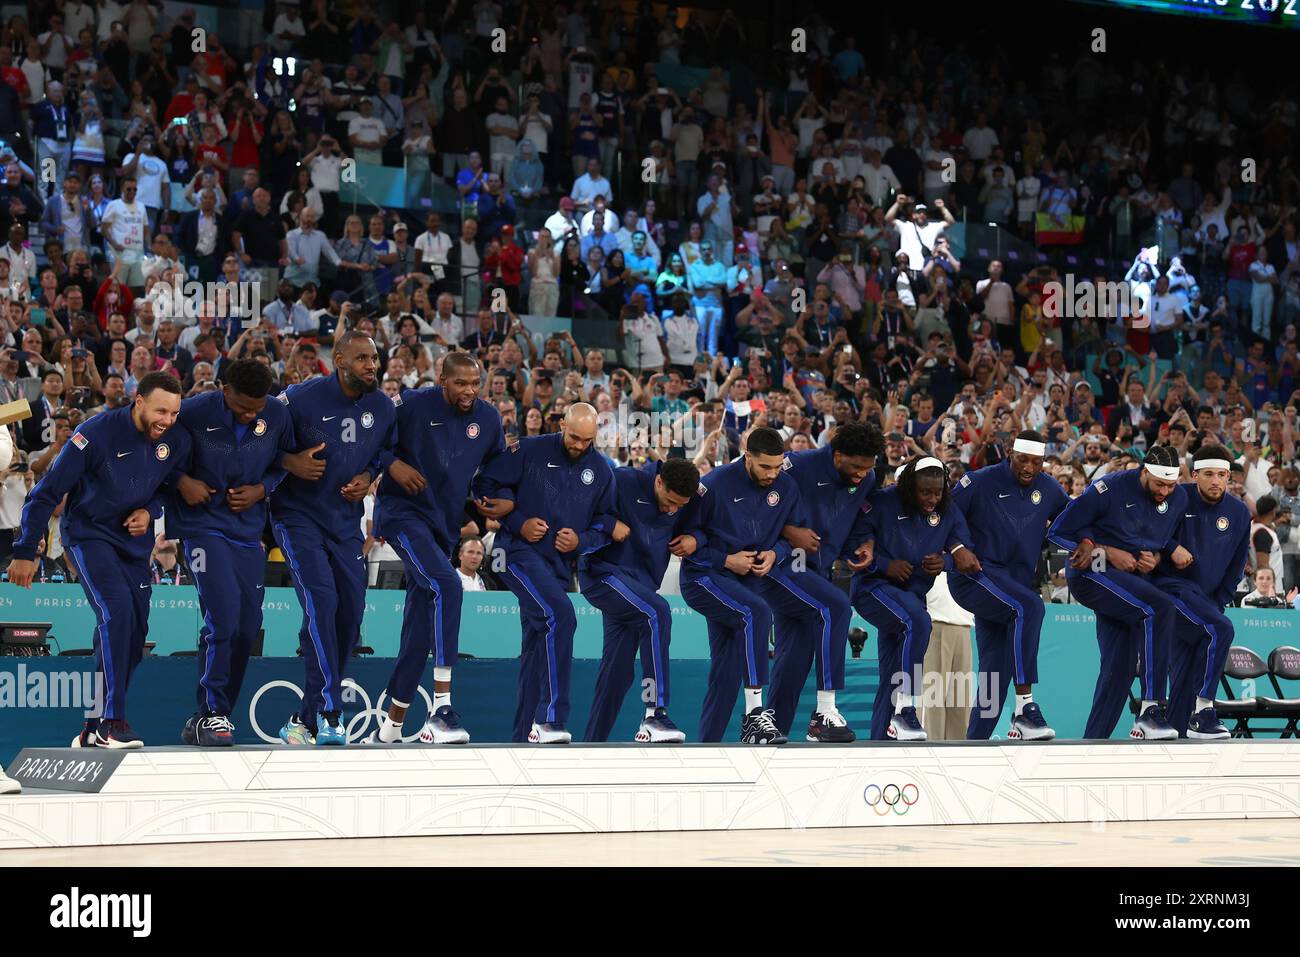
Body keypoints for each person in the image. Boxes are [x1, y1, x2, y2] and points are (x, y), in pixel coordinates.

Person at [7, 372, 189, 749]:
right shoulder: (95, 433)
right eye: (160, 411)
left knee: (135, 633)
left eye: (173, 413)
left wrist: (149, 510)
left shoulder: (173, 438)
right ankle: (111, 722)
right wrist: (25, 551)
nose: (167, 421)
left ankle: (91, 726)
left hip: (133, 545)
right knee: (116, 614)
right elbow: (45, 493)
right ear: (138, 401)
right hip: (89, 537)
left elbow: (167, 491)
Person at [367, 353, 506, 745]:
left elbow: (493, 471)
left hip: (442, 526)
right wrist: (392, 465)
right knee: (447, 584)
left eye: (474, 383)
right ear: (441, 379)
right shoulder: (411, 404)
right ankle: (441, 708)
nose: (468, 391)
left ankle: (390, 728)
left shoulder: (489, 419)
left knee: (420, 624)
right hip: (403, 514)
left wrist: (492, 498)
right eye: (460, 383)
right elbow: (373, 442)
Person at [270, 331, 398, 746]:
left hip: (345, 523)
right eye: (362, 358)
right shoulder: (299, 398)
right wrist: (289, 460)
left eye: (375, 359)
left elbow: (387, 450)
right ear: (338, 358)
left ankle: (301, 720)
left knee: (350, 614)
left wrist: (369, 474)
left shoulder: (381, 406)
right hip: (297, 517)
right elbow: (261, 440)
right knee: (322, 601)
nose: (371, 366)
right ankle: (329, 713)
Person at [168, 359, 297, 747]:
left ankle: (212, 713)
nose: (250, 413)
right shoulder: (192, 412)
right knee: (222, 619)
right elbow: (156, 452)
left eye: (256, 407)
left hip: (247, 531)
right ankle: (213, 713)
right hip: (202, 527)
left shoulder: (275, 412)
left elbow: (285, 462)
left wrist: (263, 489)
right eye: (243, 406)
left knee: (245, 627)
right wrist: (181, 480)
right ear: (223, 389)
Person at [473, 403, 617, 744]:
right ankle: (551, 718)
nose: (580, 446)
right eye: (574, 437)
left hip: (557, 567)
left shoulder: (602, 470)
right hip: (515, 553)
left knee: (538, 647)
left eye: (588, 440)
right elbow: (484, 484)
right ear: (562, 423)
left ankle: (523, 738)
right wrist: (518, 520)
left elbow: (606, 523)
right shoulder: (529, 449)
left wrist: (581, 540)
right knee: (561, 616)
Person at [1048, 444, 1190, 740]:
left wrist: (1158, 557)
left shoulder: (1179, 498)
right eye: (1159, 484)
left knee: (1120, 669)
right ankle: (1152, 710)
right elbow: (1059, 530)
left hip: (1130, 584)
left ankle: (1092, 744)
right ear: (1144, 471)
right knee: (1159, 608)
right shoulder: (1109, 488)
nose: (1164, 491)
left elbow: (1164, 540)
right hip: (1092, 572)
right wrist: (1108, 551)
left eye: (1170, 485)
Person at [679, 426, 801, 744]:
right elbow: (686, 545)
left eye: (778, 466)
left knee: (727, 670)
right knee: (757, 613)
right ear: (747, 456)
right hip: (704, 578)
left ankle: (708, 749)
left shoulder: (786, 486)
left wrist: (777, 553)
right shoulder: (714, 484)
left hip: (747, 584)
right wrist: (726, 560)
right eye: (765, 467)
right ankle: (755, 715)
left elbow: (793, 535)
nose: (772, 474)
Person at [948, 430, 1069, 740]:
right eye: (1022, 460)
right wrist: (956, 549)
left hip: (1010, 588)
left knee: (994, 673)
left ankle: (974, 744)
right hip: (975, 577)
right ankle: (1025, 709)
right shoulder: (980, 481)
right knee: (1030, 606)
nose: (1028, 468)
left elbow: (1072, 518)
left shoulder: (1050, 488)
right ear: (1009, 453)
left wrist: (1085, 540)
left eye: (1036, 462)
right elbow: (944, 513)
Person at [849, 458, 981, 740]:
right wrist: (885, 565)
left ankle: (881, 745)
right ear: (908, 487)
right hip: (873, 589)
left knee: (892, 677)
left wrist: (945, 561)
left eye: (938, 492)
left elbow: (963, 549)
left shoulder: (948, 509)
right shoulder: (883, 502)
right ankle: (906, 710)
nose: (932, 499)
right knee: (919, 622)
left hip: (911, 596)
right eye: (925, 492)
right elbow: (853, 543)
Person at [768, 421, 882, 741]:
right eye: (856, 466)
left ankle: (773, 734)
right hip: (782, 564)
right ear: (837, 453)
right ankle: (824, 713)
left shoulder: (867, 477)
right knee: (836, 606)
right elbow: (754, 493)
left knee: (795, 657)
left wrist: (865, 541)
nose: (861, 474)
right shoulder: (796, 465)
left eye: (867, 467)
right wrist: (788, 531)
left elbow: (862, 519)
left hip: (816, 572)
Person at [580, 457, 701, 743]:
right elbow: (578, 508)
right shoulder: (622, 480)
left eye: (679, 506)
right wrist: (609, 524)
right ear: (658, 481)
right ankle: (655, 713)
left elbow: (703, 525)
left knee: (616, 676)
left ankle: (589, 748)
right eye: (669, 501)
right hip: (602, 574)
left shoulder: (685, 500)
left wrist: (694, 539)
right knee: (657, 613)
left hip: (639, 587)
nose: (672, 510)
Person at [1152, 445, 1251, 738]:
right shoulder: (1177, 497)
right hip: (1171, 591)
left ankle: (1177, 739)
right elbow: (1149, 531)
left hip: (1206, 602)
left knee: (1183, 677)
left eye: (1222, 475)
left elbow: (1237, 564)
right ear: (1194, 474)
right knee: (1220, 630)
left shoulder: (1239, 512)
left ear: (1229, 476)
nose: (1216, 481)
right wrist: (1172, 547)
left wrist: (1218, 602)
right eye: (1208, 474)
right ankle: (1206, 710)